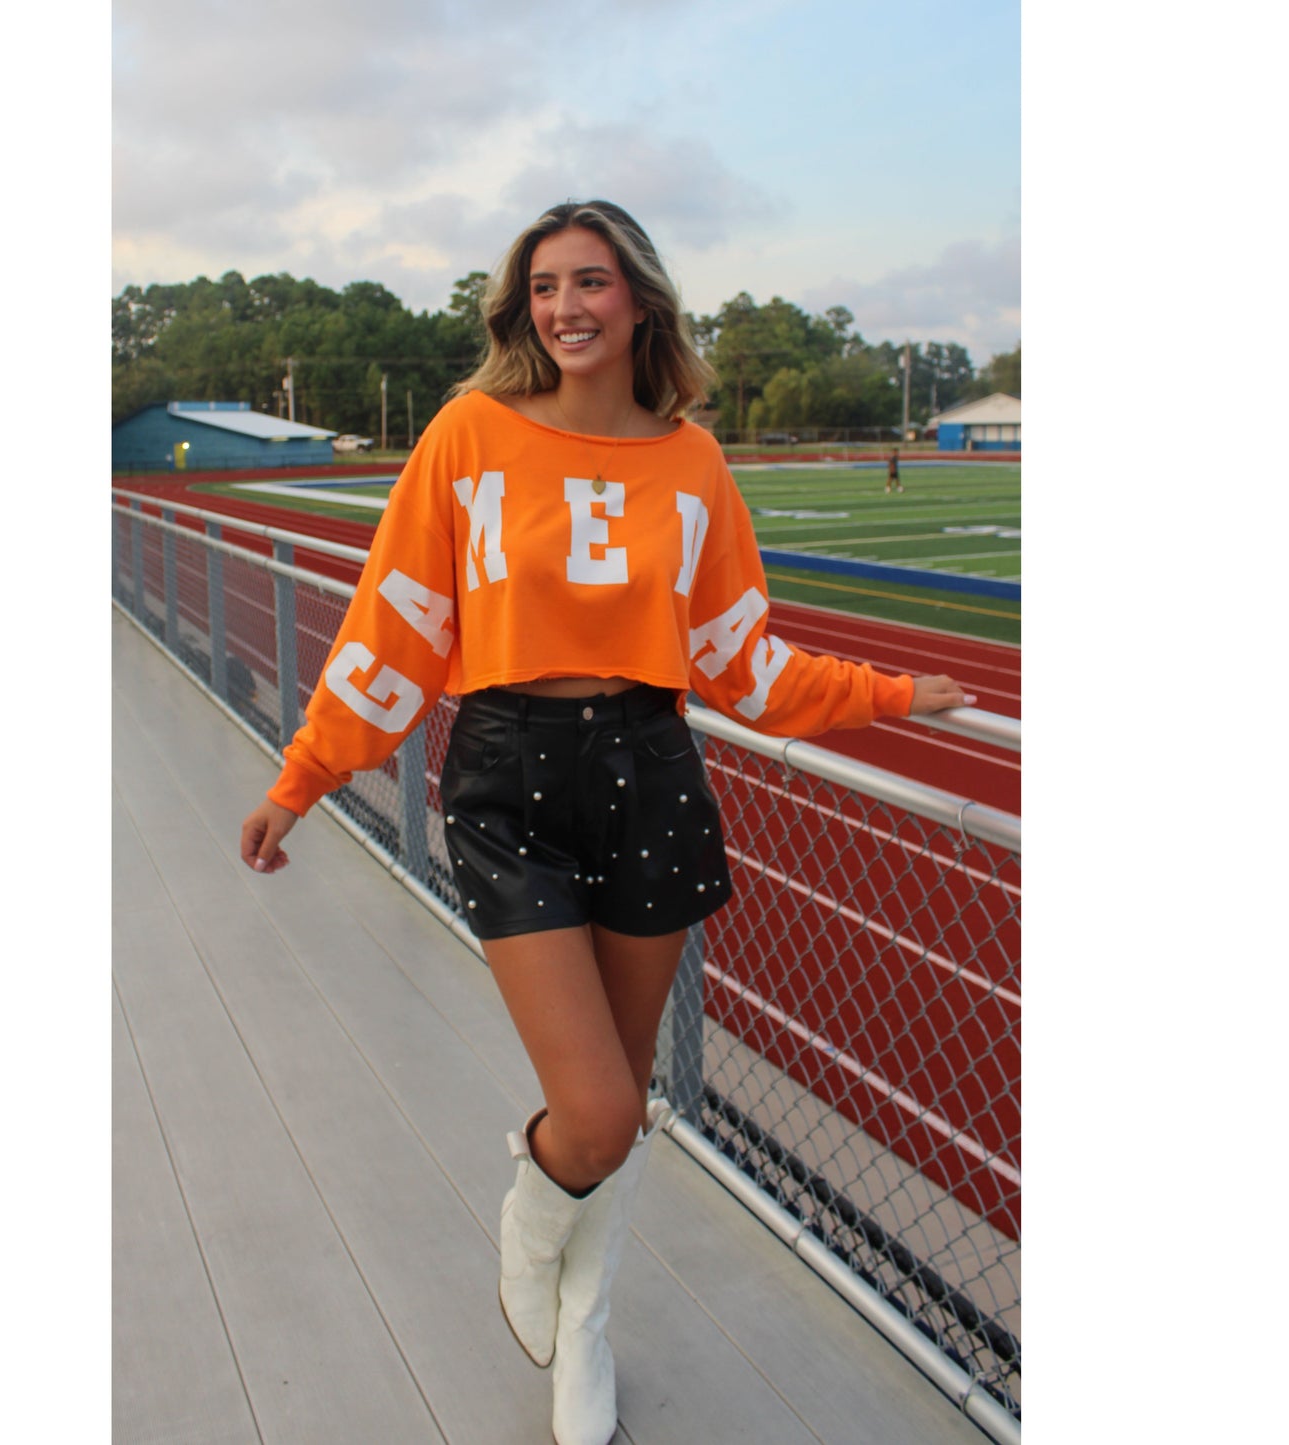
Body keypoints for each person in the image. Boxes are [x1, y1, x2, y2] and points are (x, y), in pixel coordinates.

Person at [239, 200, 973, 1445]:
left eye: (589, 281)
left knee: (626, 1096)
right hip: (506, 773)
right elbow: (397, 620)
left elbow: (739, 662)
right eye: (542, 287)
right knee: (592, 1114)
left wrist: (895, 691)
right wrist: (303, 773)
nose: (565, 307)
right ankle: (532, 1231)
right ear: (519, 307)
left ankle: (583, 1335)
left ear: (639, 298)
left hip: (646, 765)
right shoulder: (469, 434)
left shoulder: (690, 459)